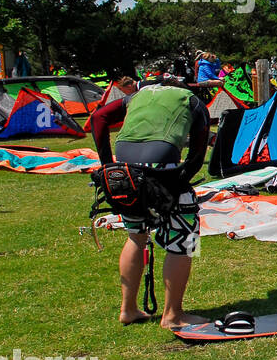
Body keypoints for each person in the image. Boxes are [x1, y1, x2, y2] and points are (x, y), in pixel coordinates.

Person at [90, 79, 210, 329]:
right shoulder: (193, 101)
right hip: (162, 162)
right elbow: (197, 155)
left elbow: (99, 118)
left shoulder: (135, 96)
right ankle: (173, 315)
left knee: (136, 235)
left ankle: (128, 309)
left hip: (125, 169)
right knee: (185, 240)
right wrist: (181, 180)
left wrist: (106, 163)